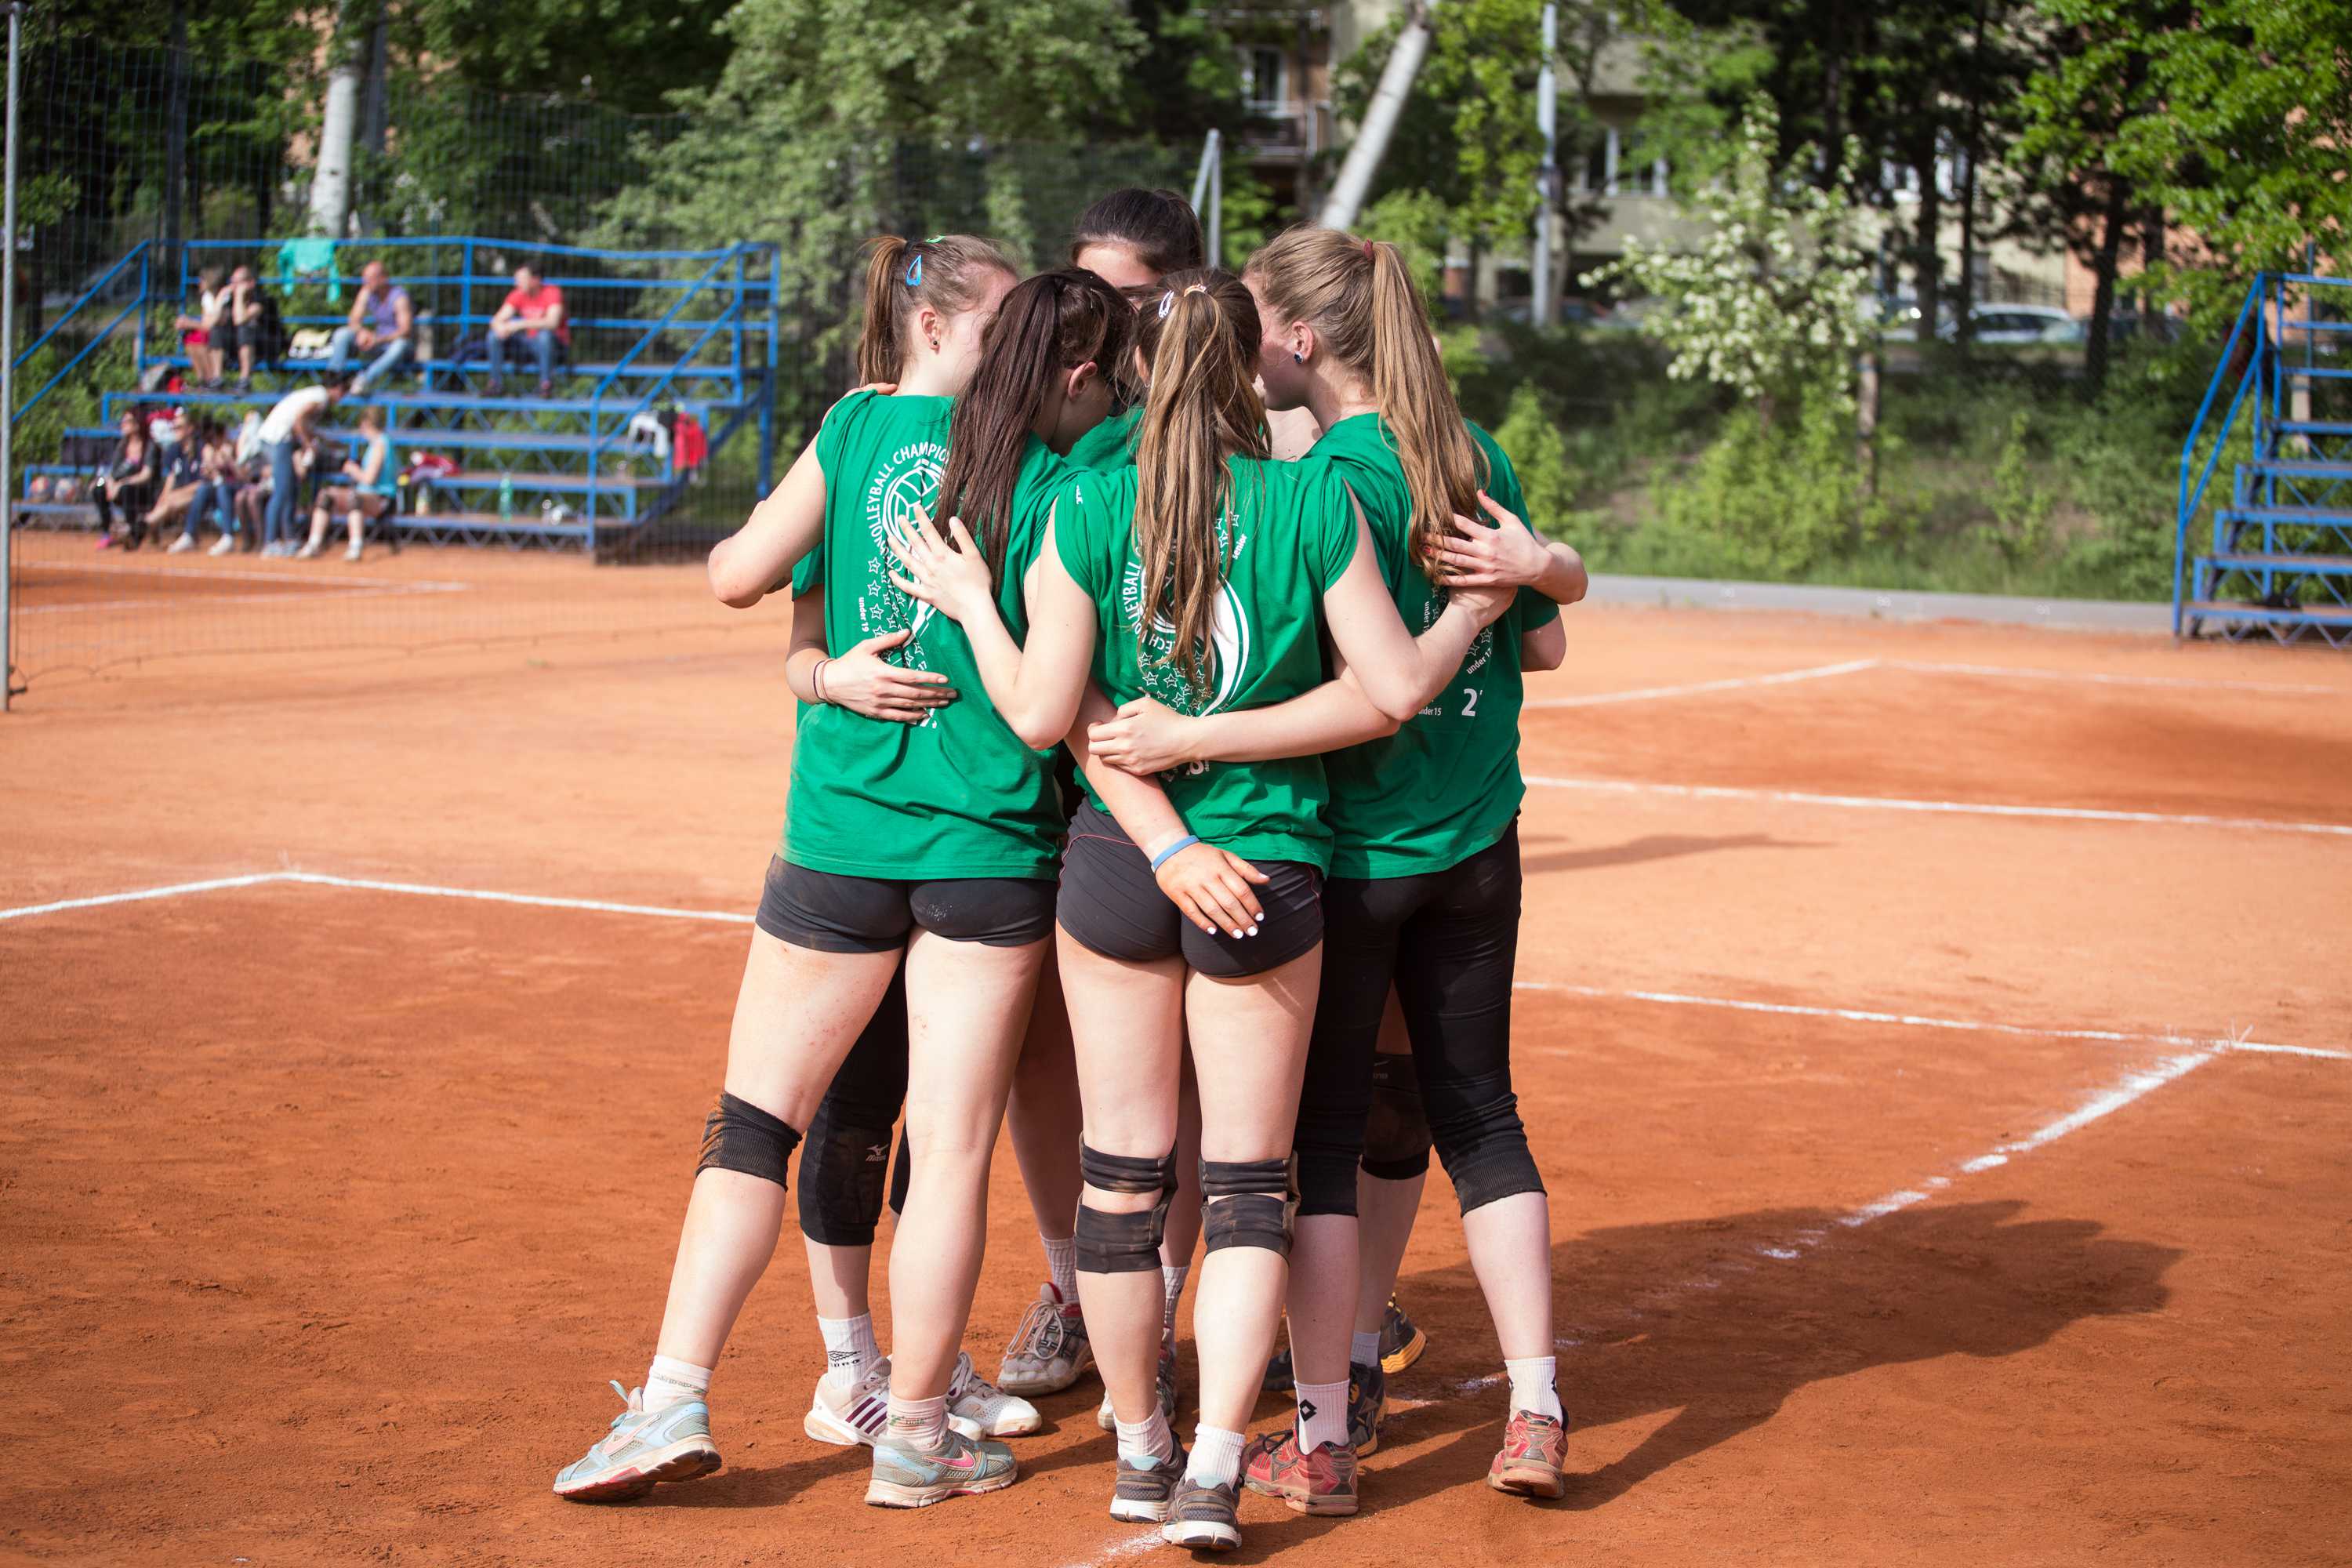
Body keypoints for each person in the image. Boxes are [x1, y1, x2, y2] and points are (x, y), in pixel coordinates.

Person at [887, 267, 1513, 1551]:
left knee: (1122, 1183)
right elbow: (1391, 691)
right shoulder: (1309, 499)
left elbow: (1042, 716)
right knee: (1245, 1191)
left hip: (1123, 867)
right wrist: (1471, 610)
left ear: (1138, 372)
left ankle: (1141, 1452)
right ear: (1248, 375)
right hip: (1266, 871)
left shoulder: (1082, 504)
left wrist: (969, 607)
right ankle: (1218, 1466)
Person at [552, 234, 1070, 1513]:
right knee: (950, 1150)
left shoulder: (850, 430)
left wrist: (829, 666)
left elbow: (734, 573)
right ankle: (918, 1435)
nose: (1018, 345)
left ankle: (670, 1399)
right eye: (999, 323)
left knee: (753, 1126)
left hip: (841, 830)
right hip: (990, 841)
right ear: (936, 325)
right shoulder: (1047, 453)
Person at [1088, 228, 1588, 1513]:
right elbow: (1543, 650)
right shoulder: (1474, 454)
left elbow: (1345, 682)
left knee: (1314, 1147)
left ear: (1303, 341)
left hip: (1356, 849)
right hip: (1479, 839)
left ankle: (1322, 1432)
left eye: (1258, 321)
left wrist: (1190, 741)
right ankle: (1533, 1406)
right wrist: (1533, 577)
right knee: (1476, 1115)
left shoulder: (1320, 483)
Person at [256, 379, 347, 557]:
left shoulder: (315, 394)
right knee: (282, 491)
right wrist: (308, 445)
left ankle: (289, 538)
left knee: (290, 490)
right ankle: (270, 542)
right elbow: (299, 422)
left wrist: (325, 441)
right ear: (336, 389)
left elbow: (304, 425)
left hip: (280, 440)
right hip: (278, 439)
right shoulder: (320, 398)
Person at [301, 406, 394, 561]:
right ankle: (314, 543)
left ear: (367, 424)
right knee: (326, 495)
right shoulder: (375, 444)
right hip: (366, 495)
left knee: (355, 498)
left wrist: (352, 469)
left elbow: (369, 479)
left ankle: (355, 546)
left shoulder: (380, 444)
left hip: (381, 498)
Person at [326, 261, 416, 395]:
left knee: (400, 345)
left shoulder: (399, 297)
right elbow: (353, 320)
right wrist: (362, 333)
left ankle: (364, 380)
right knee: (342, 334)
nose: (365, 281)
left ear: (383, 278)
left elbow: (406, 330)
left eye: (369, 278)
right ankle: (333, 379)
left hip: (398, 347)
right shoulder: (367, 291)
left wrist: (378, 339)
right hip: (377, 343)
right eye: (365, 278)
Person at [487, 263, 567, 396]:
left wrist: (519, 324)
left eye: (521, 279)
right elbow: (496, 320)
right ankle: (495, 384)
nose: (516, 283)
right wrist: (501, 328)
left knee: (544, 336)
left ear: (536, 280)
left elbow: (552, 322)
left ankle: (546, 385)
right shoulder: (518, 294)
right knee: (494, 336)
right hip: (528, 345)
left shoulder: (552, 292)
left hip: (554, 349)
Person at [91, 411, 158, 551]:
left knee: (126, 489)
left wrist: (122, 483)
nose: (123, 424)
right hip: (118, 487)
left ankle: (133, 533)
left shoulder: (149, 446)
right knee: (98, 487)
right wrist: (107, 484)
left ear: (137, 425)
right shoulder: (122, 446)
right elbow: (111, 474)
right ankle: (108, 532)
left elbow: (146, 475)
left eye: (127, 422)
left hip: (142, 490)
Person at [176, 422, 243, 556]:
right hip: (217, 489)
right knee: (203, 489)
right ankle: (189, 535)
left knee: (222, 489)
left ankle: (228, 537)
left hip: (234, 487)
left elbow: (242, 476)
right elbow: (209, 474)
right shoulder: (208, 450)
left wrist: (229, 461)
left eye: (216, 437)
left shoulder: (233, 447)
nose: (213, 441)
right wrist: (211, 468)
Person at [175, 267, 227, 388]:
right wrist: (188, 323)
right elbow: (205, 321)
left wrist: (189, 323)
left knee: (202, 339)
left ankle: (211, 377)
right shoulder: (207, 297)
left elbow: (212, 323)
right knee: (191, 340)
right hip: (210, 329)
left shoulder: (223, 297)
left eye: (202, 281)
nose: (199, 283)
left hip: (221, 333)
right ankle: (201, 379)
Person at [226, 266, 270, 392]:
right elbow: (209, 323)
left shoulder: (260, 299)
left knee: (244, 329)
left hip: (263, 345)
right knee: (214, 332)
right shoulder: (229, 299)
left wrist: (239, 296)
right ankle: (213, 380)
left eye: (239, 282)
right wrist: (221, 297)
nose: (235, 286)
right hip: (235, 345)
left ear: (251, 283)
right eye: (233, 282)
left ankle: (245, 379)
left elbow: (240, 320)